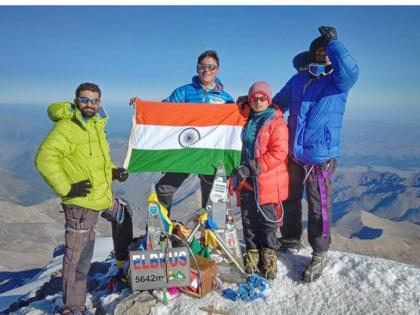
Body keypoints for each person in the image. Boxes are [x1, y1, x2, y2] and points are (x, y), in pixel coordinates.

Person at [35, 82, 132, 315]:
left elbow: (95, 160)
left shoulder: (96, 124)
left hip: (100, 195)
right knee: (78, 258)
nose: (89, 104)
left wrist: (113, 170)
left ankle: (121, 263)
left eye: (94, 100)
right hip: (80, 204)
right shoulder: (67, 127)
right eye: (84, 100)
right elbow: (44, 159)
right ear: (76, 101)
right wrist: (67, 188)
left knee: (123, 214)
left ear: (100, 103)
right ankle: (72, 307)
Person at [272, 26, 359, 282]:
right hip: (294, 154)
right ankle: (289, 237)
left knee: (318, 207)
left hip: (319, 160)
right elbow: (278, 104)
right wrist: (255, 104)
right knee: (289, 199)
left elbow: (351, 71)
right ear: (312, 55)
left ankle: (320, 251)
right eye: (320, 50)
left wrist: (334, 43)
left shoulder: (338, 82)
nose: (324, 55)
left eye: (327, 51)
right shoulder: (298, 80)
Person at [130, 50, 235, 216]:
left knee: (212, 198)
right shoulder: (184, 91)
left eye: (211, 67)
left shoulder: (226, 99)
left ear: (217, 70)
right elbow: (165, 110)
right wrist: (144, 106)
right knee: (163, 189)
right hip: (184, 151)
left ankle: (211, 235)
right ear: (197, 68)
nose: (207, 70)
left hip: (210, 155)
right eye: (203, 66)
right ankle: (163, 230)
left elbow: (231, 127)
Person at [232, 81, 288, 280]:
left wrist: (252, 167)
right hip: (246, 181)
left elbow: (279, 153)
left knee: (268, 222)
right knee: (248, 220)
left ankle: (269, 256)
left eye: (262, 98)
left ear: (268, 99)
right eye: (253, 98)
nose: (257, 101)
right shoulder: (244, 118)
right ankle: (253, 254)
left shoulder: (276, 122)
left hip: (267, 182)